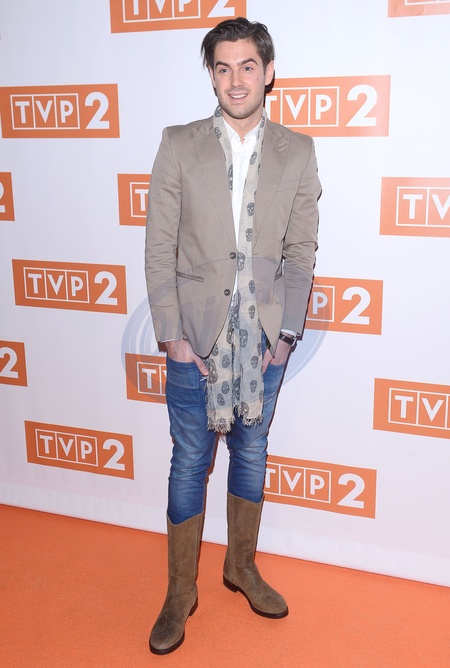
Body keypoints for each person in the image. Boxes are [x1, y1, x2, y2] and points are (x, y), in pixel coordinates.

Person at [145, 17, 321, 655]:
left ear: (268, 72)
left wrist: (288, 335)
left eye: (248, 66)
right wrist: (172, 338)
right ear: (212, 76)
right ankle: (179, 591)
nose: (236, 80)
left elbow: (300, 253)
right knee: (190, 460)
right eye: (223, 68)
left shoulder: (297, 151)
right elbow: (159, 248)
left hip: (265, 342)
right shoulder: (178, 144)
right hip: (195, 340)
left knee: (251, 454)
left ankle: (240, 566)